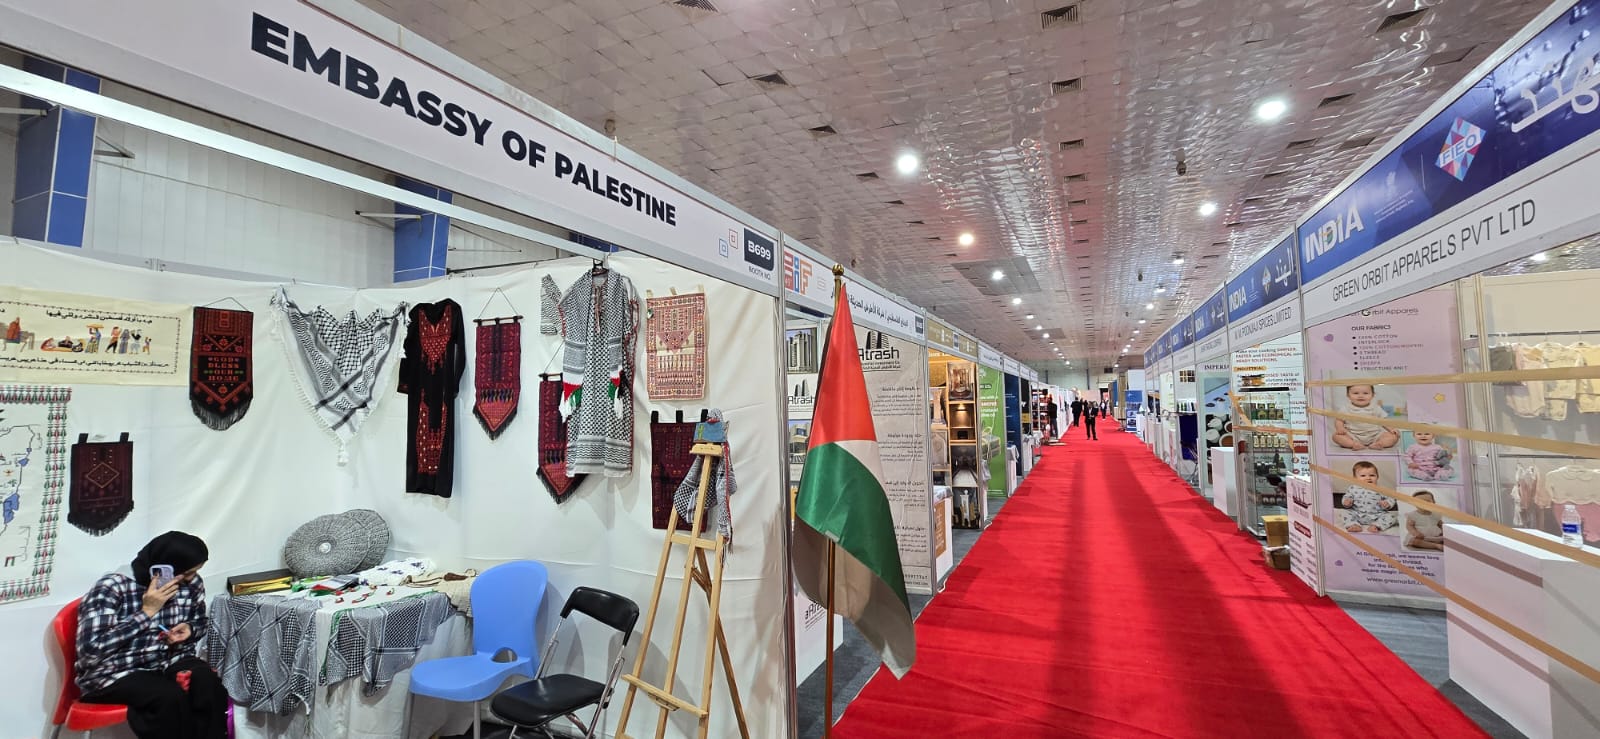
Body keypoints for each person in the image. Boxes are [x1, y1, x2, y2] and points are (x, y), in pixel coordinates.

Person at [76, 531, 227, 739]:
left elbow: (200, 622)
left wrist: (190, 629)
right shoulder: (112, 587)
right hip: (116, 671)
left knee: (208, 684)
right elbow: (90, 652)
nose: (191, 578)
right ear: (164, 567)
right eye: (187, 572)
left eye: (195, 572)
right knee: (168, 698)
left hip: (169, 660)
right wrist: (146, 612)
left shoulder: (191, 584)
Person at [1332, 384, 1399, 450]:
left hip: (1375, 435)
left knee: (1394, 437)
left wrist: (1391, 429)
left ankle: (1380, 443)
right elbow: (1339, 420)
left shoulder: (1376, 408)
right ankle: (1353, 444)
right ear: (1348, 395)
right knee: (1336, 437)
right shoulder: (1345, 409)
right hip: (1352, 435)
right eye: (1356, 393)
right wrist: (1340, 428)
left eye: (1365, 393)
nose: (1361, 396)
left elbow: (1383, 421)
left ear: (1372, 395)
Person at [1340, 461, 1397, 534]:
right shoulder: (1353, 488)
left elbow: (1391, 498)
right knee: (1345, 513)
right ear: (1355, 478)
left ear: (1377, 476)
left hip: (1377, 515)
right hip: (1357, 514)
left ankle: (1377, 525)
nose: (1368, 478)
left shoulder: (1382, 489)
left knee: (1392, 516)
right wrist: (1347, 501)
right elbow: (1347, 496)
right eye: (1363, 476)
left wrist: (1387, 503)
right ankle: (1354, 525)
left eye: (1372, 475)